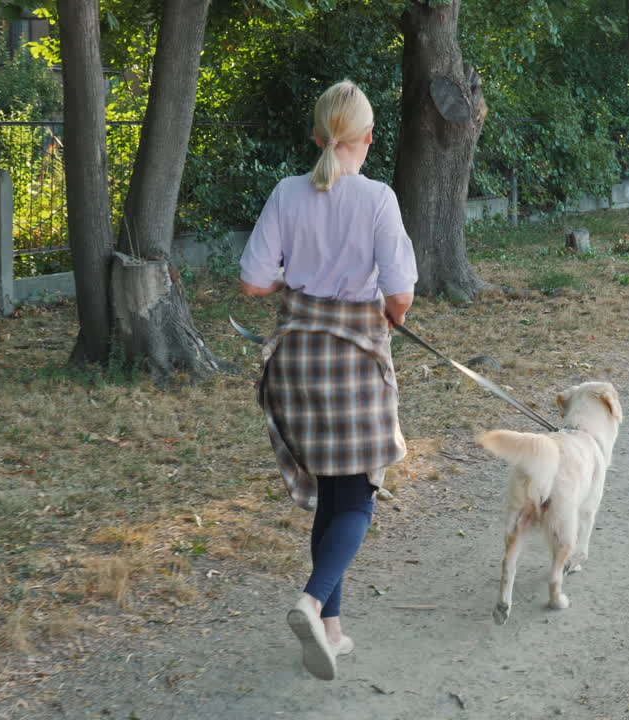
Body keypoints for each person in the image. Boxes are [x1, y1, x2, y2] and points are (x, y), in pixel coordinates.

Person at [239, 79, 417, 681]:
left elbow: (254, 283)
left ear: (316, 137)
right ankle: (312, 602)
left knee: (330, 492)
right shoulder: (378, 200)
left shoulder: (287, 194)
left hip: (296, 364)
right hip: (354, 365)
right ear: (366, 138)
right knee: (360, 494)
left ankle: (333, 632)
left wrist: (302, 274)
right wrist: (390, 313)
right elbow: (400, 295)